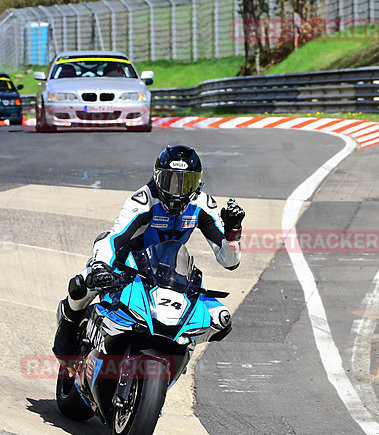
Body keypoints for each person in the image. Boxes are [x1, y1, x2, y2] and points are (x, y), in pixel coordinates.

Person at [53, 145, 246, 360]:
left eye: (185, 183)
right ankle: (67, 330)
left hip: (169, 272)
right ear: (156, 178)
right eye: (169, 181)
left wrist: (232, 233)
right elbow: (114, 238)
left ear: (198, 183)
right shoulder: (143, 199)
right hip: (128, 266)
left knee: (221, 320)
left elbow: (229, 262)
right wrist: (101, 266)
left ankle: (176, 352)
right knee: (83, 284)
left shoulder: (202, 204)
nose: (177, 191)